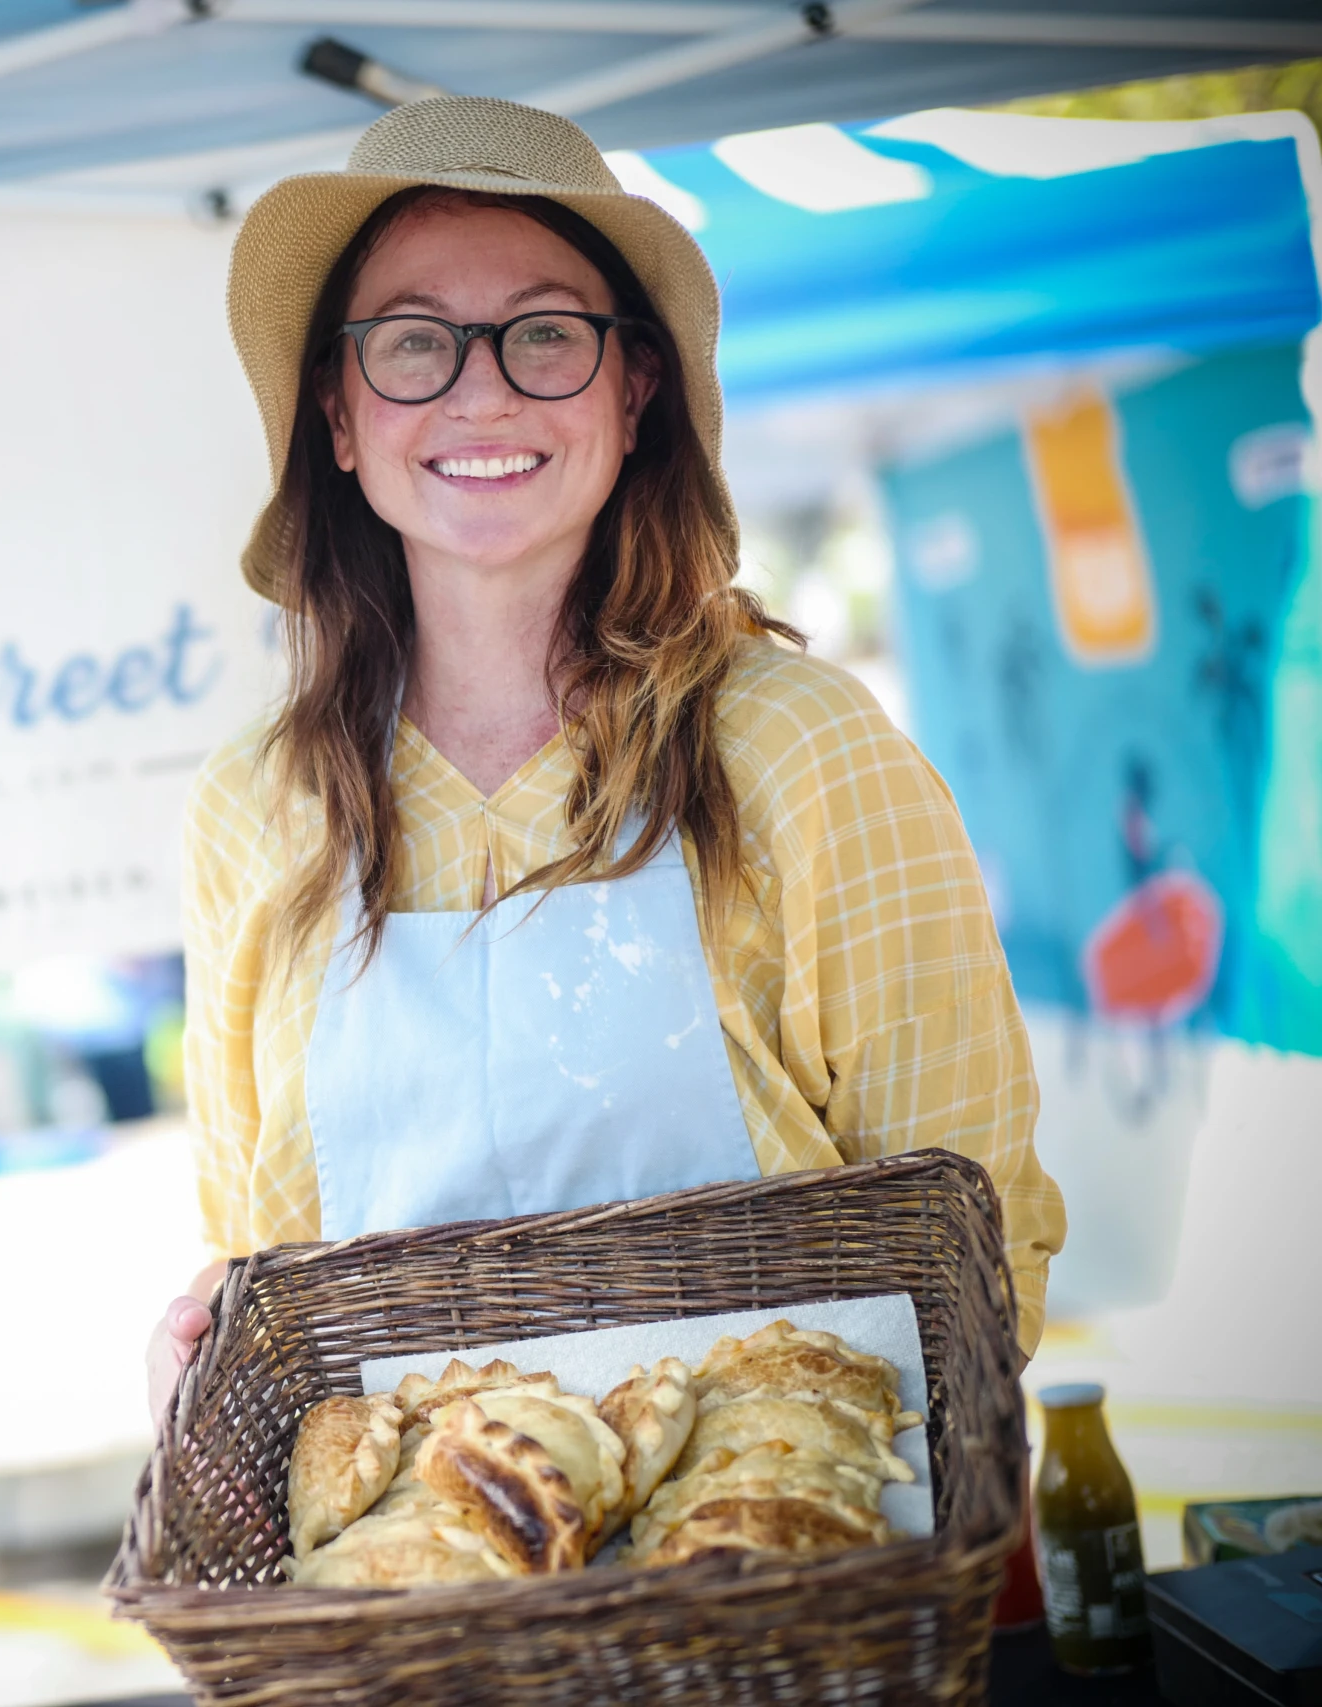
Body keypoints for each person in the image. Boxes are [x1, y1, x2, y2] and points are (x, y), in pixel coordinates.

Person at [147, 99, 1065, 1416]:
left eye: (544, 333)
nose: (481, 391)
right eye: (411, 341)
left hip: (789, 1515)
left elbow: (974, 1243)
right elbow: (267, 1275)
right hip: (411, 1539)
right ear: (338, 415)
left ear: (633, 390)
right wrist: (203, 1351)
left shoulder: (801, 747)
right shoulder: (253, 807)